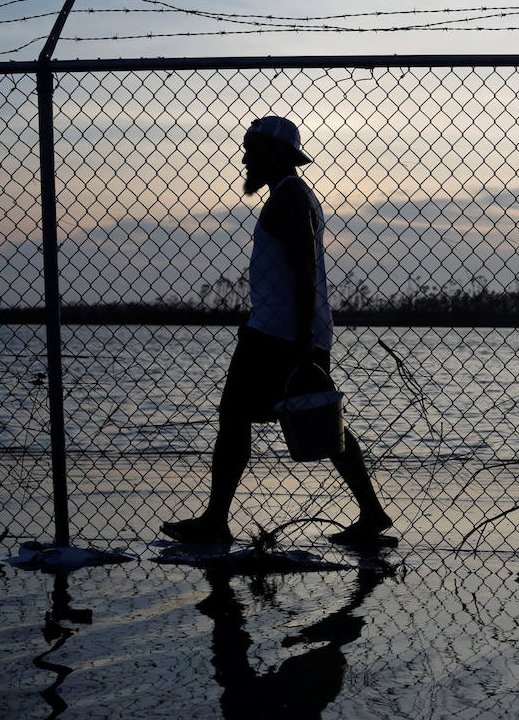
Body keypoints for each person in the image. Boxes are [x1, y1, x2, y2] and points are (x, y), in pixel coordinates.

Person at [162, 116, 393, 546]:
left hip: (281, 334)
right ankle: (372, 512)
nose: (246, 159)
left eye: (253, 151)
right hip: (285, 329)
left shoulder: (288, 198)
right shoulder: (290, 195)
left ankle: (215, 522)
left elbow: (305, 267)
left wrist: (303, 339)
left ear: (276, 155)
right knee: (320, 420)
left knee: (237, 418)